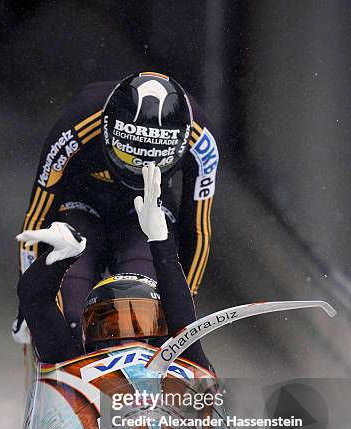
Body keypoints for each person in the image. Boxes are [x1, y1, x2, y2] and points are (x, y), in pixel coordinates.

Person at [13, 71, 219, 343]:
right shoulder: (79, 122)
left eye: (150, 163)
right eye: (128, 156)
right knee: (73, 320)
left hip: (145, 211)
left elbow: (198, 229)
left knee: (141, 319)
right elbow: (39, 215)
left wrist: (182, 320)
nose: (138, 168)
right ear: (108, 130)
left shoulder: (201, 141)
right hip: (81, 204)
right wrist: (30, 308)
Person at [17, 163, 210, 372]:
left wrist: (161, 241)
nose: (128, 336)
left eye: (140, 324)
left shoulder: (185, 358)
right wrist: (58, 260)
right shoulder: (71, 362)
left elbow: (184, 327)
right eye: (111, 327)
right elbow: (34, 299)